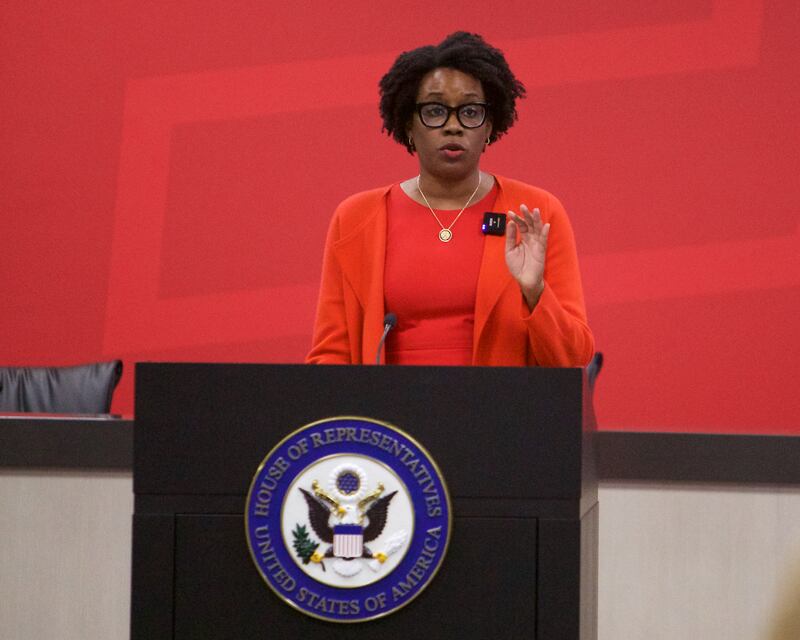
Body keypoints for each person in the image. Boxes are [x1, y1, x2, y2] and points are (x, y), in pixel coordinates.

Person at [306, 32, 593, 367]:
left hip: (502, 413)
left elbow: (574, 362)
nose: (453, 126)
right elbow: (330, 357)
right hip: (391, 415)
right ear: (408, 123)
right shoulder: (356, 218)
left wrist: (535, 293)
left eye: (470, 112)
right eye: (435, 110)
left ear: (489, 126)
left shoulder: (536, 213)